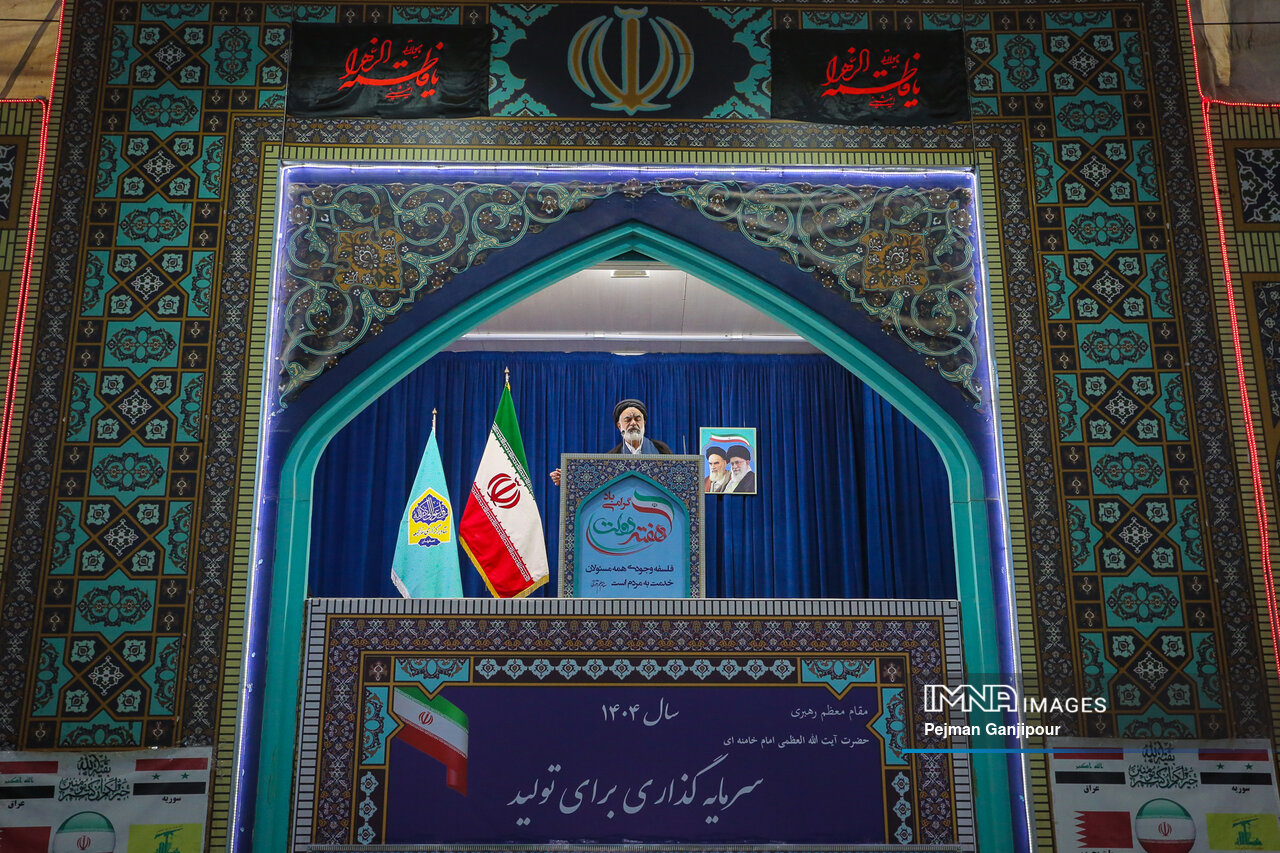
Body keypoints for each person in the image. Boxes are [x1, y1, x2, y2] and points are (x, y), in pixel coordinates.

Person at [550, 398, 672, 485]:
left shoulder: (660, 449)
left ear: (644, 423)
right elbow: (596, 482)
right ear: (619, 426)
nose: (633, 423)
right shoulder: (612, 456)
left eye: (637, 419)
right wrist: (568, 479)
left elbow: (672, 478)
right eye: (628, 420)